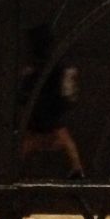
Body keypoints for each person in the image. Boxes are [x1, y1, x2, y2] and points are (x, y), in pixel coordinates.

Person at [18, 24, 84, 178]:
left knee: (39, 139)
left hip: (45, 108)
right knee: (51, 137)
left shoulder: (47, 67)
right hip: (45, 109)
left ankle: (76, 169)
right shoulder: (50, 66)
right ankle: (76, 169)